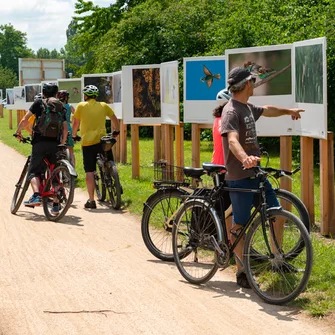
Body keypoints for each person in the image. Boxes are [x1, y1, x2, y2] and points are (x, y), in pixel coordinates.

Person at [220, 67, 304, 288]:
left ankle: (277, 259)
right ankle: (241, 271)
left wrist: (288, 111)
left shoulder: (246, 107)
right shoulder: (231, 111)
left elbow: (268, 109)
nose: (254, 83)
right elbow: (232, 141)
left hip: (255, 174)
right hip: (240, 175)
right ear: (246, 84)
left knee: (276, 214)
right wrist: (244, 158)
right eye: (253, 80)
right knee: (239, 225)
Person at [15, 83, 68, 211]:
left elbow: (25, 120)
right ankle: (56, 204)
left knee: (34, 171)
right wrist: (63, 141)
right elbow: (65, 127)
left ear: (43, 92)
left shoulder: (39, 103)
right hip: (55, 143)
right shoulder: (60, 106)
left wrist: (18, 132)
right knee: (54, 171)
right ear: (56, 94)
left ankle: (36, 195)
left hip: (39, 142)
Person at [72, 85, 120, 209]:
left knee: (89, 171)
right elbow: (114, 118)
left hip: (88, 143)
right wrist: (116, 132)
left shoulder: (81, 106)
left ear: (86, 95)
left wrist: (74, 135)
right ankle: (115, 180)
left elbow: (76, 122)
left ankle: (91, 200)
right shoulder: (103, 105)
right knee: (109, 160)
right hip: (103, 141)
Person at [57, 90, 76, 166]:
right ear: (66, 98)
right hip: (68, 127)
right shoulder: (70, 106)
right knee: (71, 150)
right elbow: (77, 116)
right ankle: (73, 169)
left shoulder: (57, 105)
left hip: (59, 127)